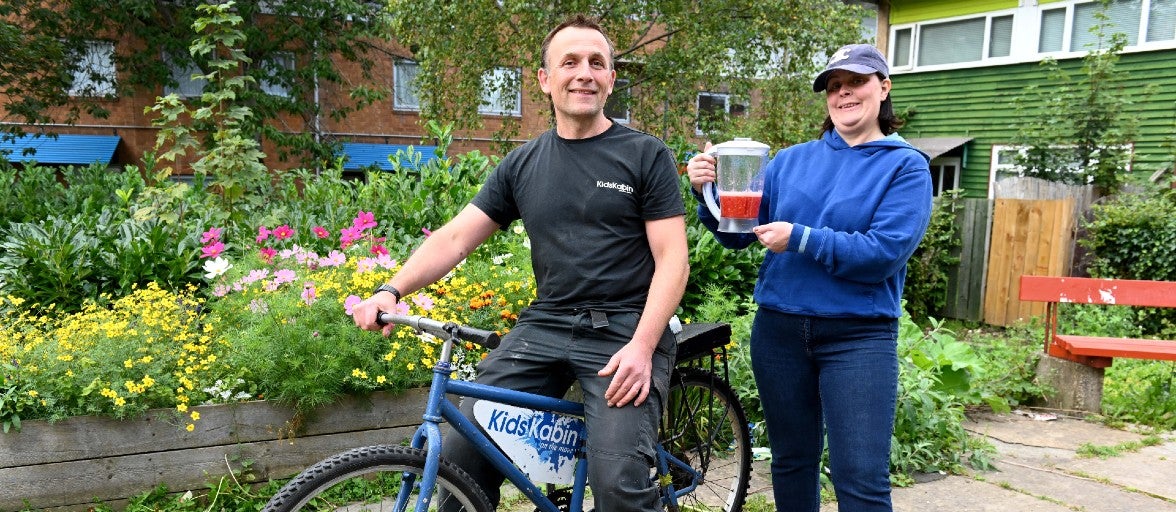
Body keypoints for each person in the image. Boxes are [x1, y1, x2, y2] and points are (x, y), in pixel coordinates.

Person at [352, 14, 689, 512]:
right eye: (570, 62)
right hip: (545, 325)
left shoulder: (644, 154)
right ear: (544, 80)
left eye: (597, 63)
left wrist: (642, 347)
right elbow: (455, 238)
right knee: (462, 455)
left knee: (618, 485)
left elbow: (673, 259)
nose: (584, 73)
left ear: (612, 79)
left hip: (625, 328)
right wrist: (390, 289)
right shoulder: (523, 163)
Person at [685, 43, 932, 512]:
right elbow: (739, 235)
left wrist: (801, 237)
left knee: (860, 477)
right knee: (791, 462)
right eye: (834, 86)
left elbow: (883, 253)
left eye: (856, 82)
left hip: (857, 336)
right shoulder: (790, 161)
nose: (844, 94)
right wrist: (707, 191)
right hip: (779, 333)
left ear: (883, 88)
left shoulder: (905, 166)